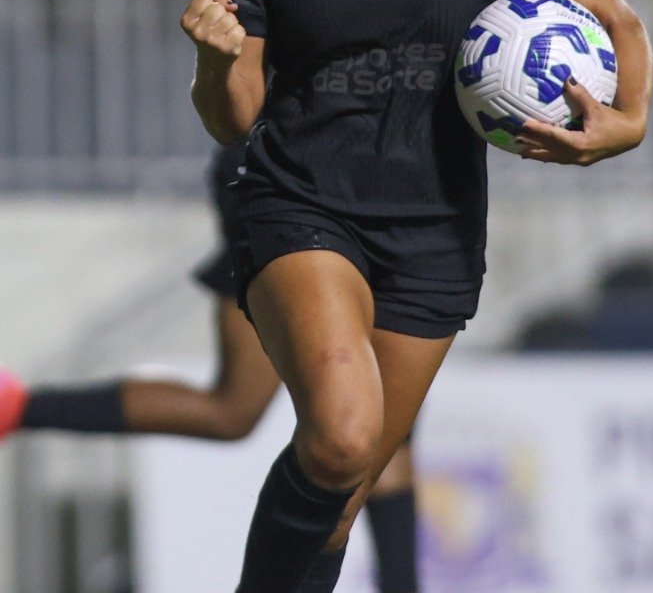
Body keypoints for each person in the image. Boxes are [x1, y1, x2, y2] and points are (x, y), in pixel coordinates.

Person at [179, 0, 653, 591]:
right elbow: (235, 120)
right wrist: (212, 61)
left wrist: (629, 121)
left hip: (434, 229)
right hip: (300, 202)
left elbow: (618, 20)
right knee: (346, 429)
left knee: (345, 482)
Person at [0, 141, 424, 593]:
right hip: (306, 181)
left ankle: (18, 407)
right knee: (357, 441)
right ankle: (19, 407)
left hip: (347, 180)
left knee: (245, 413)